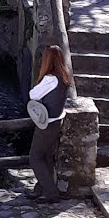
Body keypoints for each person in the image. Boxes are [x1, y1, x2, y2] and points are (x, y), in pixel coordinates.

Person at [27, 44, 73, 201]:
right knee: (46, 157)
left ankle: (51, 192)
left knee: (35, 157)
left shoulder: (50, 79)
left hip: (46, 124)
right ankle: (40, 188)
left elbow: (33, 94)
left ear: (47, 60)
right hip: (57, 121)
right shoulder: (65, 76)